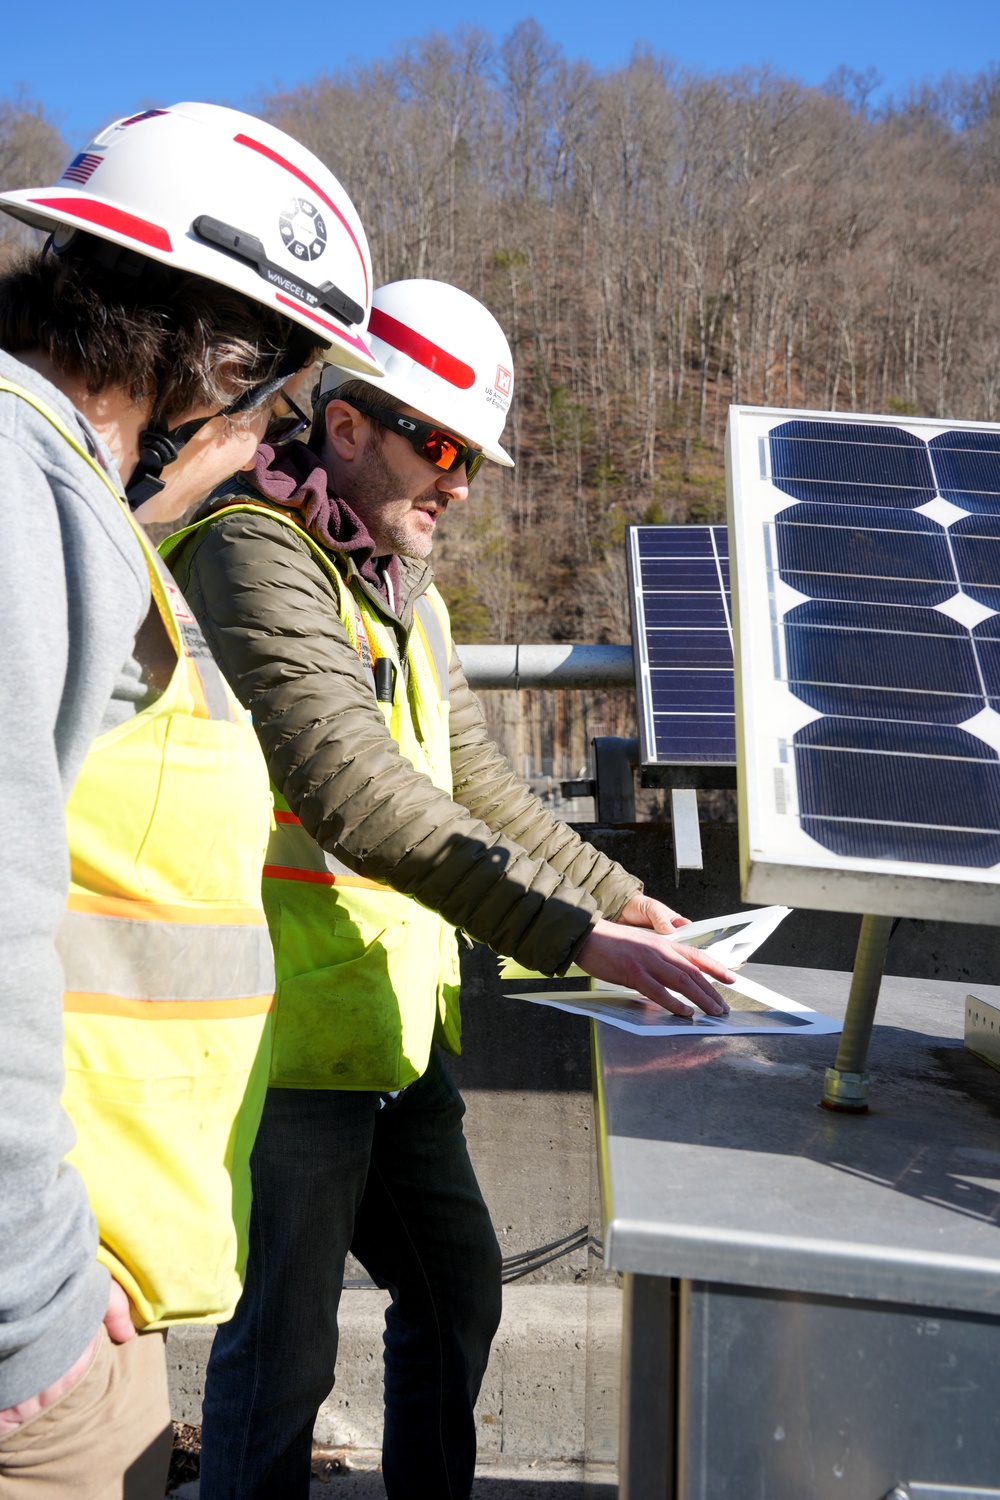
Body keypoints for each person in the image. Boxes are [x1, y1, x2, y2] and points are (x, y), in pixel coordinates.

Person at [164, 275, 736, 1500]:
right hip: (290, 1048)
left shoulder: (398, 590)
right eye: (437, 443)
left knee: (455, 1290)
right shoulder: (253, 554)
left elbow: (484, 787)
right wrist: (575, 939)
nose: (460, 480)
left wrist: (624, 902)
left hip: (396, 1040)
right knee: (279, 1364)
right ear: (347, 424)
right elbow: (355, 791)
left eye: (473, 455)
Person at [0, 101, 379, 1497]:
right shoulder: (17, 492)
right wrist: (27, 1297)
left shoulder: (57, 499)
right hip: (38, 1322)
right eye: (271, 391)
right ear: (222, 355)